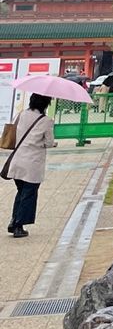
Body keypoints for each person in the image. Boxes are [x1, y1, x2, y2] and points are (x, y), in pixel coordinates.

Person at [6, 93, 57, 238]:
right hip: (32, 164)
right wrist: (52, 144)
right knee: (29, 194)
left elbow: (14, 134)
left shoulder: (20, 114)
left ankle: (14, 220)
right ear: (46, 104)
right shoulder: (46, 121)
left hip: (16, 161)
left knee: (22, 192)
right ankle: (18, 226)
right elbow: (48, 142)